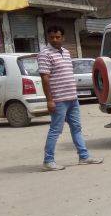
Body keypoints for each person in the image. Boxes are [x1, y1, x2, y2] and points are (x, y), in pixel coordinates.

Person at [38, 26, 103, 171]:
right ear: (48, 38)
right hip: (59, 100)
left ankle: (84, 156)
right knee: (56, 130)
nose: (55, 39)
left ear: (63, 38)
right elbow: (45, 78)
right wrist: (49, 100)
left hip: (72, 98)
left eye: (58, 37)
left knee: (76, 128)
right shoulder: (45, 54)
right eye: (52, 37)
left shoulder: (66, 53)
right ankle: (48, 160)